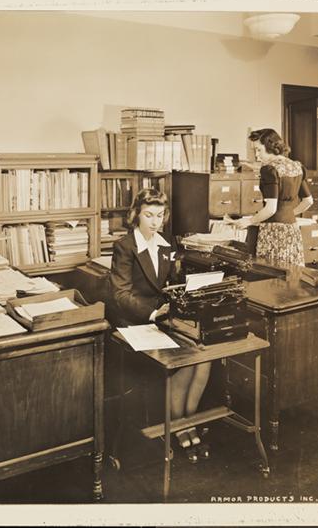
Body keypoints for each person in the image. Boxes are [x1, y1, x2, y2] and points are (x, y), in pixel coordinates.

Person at [109, 188, 211, 461]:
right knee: (183, 361)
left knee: (204, 358)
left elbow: (170, 284)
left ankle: (188, 421)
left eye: (160, 215)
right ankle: (178, 428)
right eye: (148, 215)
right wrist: (155, 313)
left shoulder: (166, 244)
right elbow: (120, 296)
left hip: (163, 318)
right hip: (136, 322)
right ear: (136, 215)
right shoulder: (125, 246)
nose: (155, 222)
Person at [235, 128, 314, 267]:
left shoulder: (269, 170)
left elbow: (271, 209)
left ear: (270, 146)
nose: (257, 155)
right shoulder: (296, 166)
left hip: (273, 232)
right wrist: (288, 214)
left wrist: (249, 221)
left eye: (259, 150)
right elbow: (308, 201)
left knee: (272, 272)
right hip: (292, 230)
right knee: (291, 271)